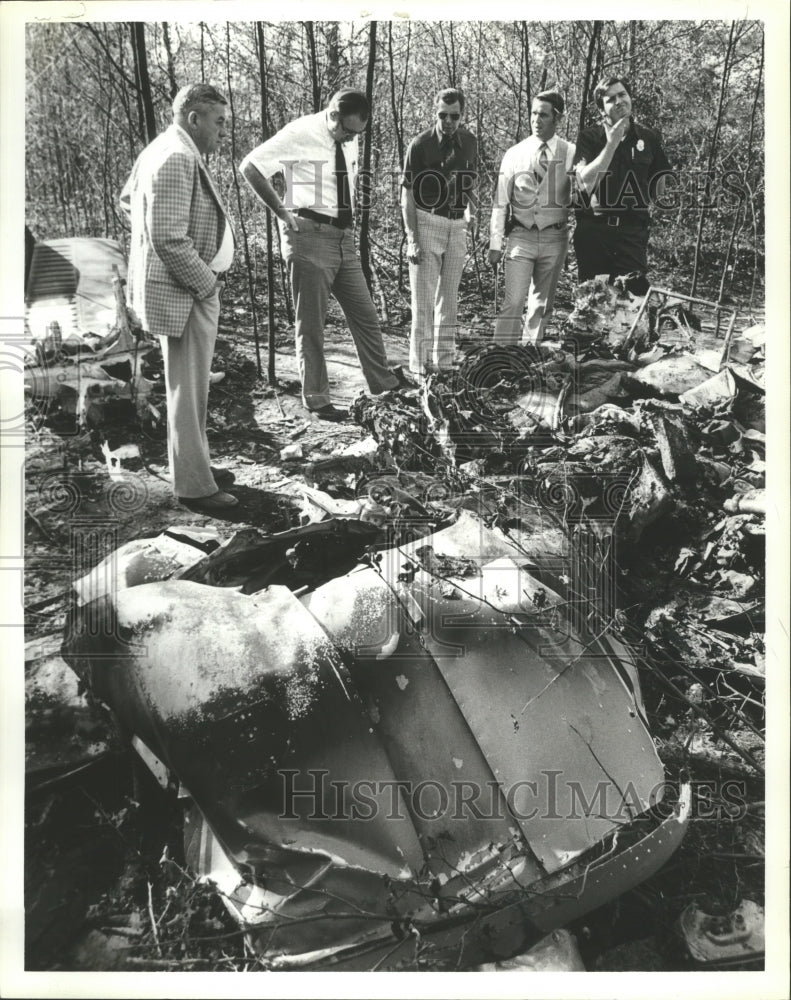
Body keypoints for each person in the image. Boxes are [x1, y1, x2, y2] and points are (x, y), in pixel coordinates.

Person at [240, 89, 402, 422]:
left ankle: (385, 386)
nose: (352, 138)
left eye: (357, 133)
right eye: (348, 131)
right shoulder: (300, 132)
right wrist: (281, 211)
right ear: (333, 116)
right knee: (312, 323)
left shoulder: (349, 136)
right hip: (308, 235)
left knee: (366, 314)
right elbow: (250, 167)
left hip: (343, 238)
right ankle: (317, 399)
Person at [120, 83, 238, 513]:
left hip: (181, 289)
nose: (223, 131)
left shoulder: (161, 148)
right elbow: (168, 237)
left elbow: (128, 202)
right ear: (194, 119)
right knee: (188, 393)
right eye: (219, 122)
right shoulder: (176, 156)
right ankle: (195, 487)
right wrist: (205, 281)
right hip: (186, 292)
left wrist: (145, 247)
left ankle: (194, 465)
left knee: (190, 388)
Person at [401, 89, 478, 376]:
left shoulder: (469, 142)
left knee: (449, 300)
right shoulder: (420, 145)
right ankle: (420, 368)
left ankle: (444, 364)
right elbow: (406, 195)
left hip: (456, 226)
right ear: (434, 112)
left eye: (454, 116)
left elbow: (468, 183)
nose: (448, 122)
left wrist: (470, 211)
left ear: (462, 115)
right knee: (423, 303)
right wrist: (412, 239)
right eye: (443, 115)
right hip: (427, 222)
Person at [489, 91, 575, 345]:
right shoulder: (515, 153)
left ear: (557, 119)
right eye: (534, 113)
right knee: (513, 301)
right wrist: (495, 244)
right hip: (521, 236)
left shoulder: (571, 152)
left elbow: (583, 192)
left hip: (555, 237)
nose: (536, 120)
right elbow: (500, 201)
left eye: (544, 115)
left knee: (542, 304)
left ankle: (529, 354)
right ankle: (500, 355)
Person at [573, 75, 671, 295]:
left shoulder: (649, 138)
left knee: (632, 300)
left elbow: (660, 185)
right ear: (602, 109)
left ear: (630, 97)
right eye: (611, 99)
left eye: (622, 95)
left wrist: (640, 206)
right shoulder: (589, 137)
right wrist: (612, 144)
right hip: (594, 234)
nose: (619, 101)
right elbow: (584, 182)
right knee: (594, 302)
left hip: (632, 236)